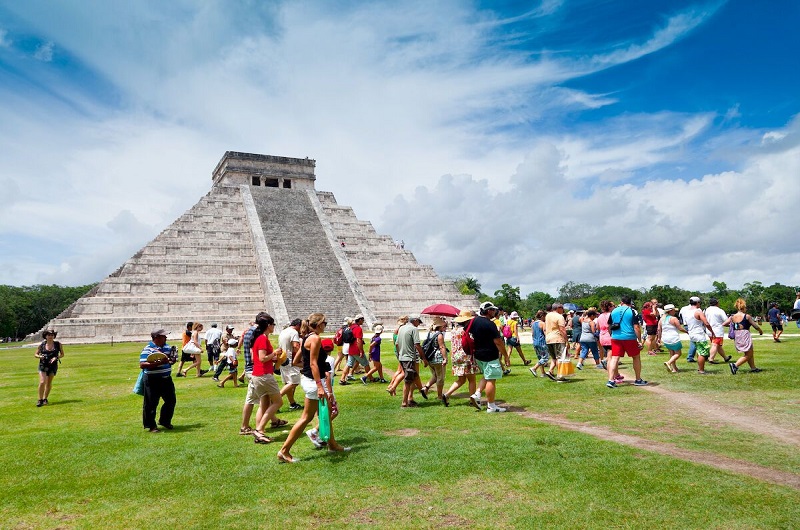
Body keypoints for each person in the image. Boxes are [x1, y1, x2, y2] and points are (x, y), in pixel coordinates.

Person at [278, 313, 349, 463]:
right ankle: (284, 451)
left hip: (312, 380)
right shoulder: (315, 338)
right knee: (306, 418)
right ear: (318, 324)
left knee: (328, 412)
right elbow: (312, 364)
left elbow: (301, 361)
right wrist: (320, 386)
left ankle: (332, 444)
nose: (326, 325)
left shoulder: (307, 337)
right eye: (325, 323)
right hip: (314, 382)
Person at [248, 313, 287, 444]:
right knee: (278, 402)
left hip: (257, 375)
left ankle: (260, 432)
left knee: (264, 404)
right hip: (264, 375)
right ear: (268, 326)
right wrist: (275, 353)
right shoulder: (263, 339)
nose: (274, 327)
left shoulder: (257, 338)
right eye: (273, 324)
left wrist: (273, 357)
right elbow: (262, 358)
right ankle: (259, 430)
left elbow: (256, 358)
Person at [468, 302, 507, 412]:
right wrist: (506, 356)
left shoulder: (474, 321)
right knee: (491, 379)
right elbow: (498, 342)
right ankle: (491, 406)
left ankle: (477, 394)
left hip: (478, 354)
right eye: (493, 310)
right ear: (489, 311)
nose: (495, 312)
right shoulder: (490, 324)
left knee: (486, 375)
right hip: (489, 354)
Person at [138, 328, 178, 432]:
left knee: (171, 401)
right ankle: (151, 426)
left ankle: (164, 421)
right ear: (157, 338)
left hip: (166, 379)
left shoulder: (167, 347)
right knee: (151, 403)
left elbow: (170, 360)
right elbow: (142, 364)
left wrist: (172, 360)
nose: (166, 337)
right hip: (152, 380)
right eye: (163, 336)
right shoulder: (148, 349)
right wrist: (160, 363)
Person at [606, 295, 647, 388]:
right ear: (630, 303)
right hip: (629, 337)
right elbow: (636, 327)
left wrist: (611, 335)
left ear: (621, 302)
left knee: (615, 358)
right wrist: (639, 340)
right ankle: (638, 379)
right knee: (636, 357)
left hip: (616, 337)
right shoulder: (632, 311)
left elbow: (608, 326)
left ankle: (611, 380)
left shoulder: (614, 311)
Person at [444, 310, 480, 405]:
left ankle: (447, 394)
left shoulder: (453, 331)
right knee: (472, 380)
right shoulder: (467, 330)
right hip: (466, 355)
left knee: (461, 380)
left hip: (456, 355)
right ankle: (472, 400)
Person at [395, 314, 428, 407]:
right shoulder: (414, 329)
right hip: (409, 358)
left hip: (402, 357)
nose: (418, 324)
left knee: (414, 376)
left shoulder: (401, 328)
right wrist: (423, 358)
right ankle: (404, 403)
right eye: (418, 322)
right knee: (408, 381)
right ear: (415, 320)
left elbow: (397, 344)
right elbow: (417, 345)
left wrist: (399, 355)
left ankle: (413, 396)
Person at [724, 299, 764, 374]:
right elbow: (755, 325)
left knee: (749, 352)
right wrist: (760, 331)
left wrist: (735, 326)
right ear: (743, 308)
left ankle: (753, 368)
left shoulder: (733, 317)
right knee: (749, 354)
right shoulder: (747, 316)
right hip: (745, 334)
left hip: (737, 335)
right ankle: (735, 365)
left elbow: (725, 324)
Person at [680, 296, 715, 374]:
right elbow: (706, 323)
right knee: (703, 352)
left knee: (699, 351)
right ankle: (701, 370)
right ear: (697, 303)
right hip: (698, 334)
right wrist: (712, 332)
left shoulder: (686, 311)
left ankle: (700, 368)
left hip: (691, 333)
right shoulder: (698, 311)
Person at [237, 319, 259, 434]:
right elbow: (253, 356)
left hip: (250, 370)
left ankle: (274, 420)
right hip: (254, 370)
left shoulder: (247, 332)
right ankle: (245, 427)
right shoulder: (255, 334)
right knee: (254, 399)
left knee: (266, 398)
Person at [422, 317, 449, 404]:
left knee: (435, 375)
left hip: (430, 357)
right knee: (440, 377)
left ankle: (426, 388)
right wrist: (445, 358)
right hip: (438, 358)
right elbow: (441, 347)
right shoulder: (439, 335)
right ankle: (439, 396)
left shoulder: (430, 333)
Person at [278, 319, 303, 411]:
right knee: (294, 382)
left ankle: (292, 403)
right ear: (298, 326)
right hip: (291, 360)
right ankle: (274, 400)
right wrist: (302, 358)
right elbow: (296, 346)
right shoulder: (294, 332)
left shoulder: (283, 332)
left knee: (287, 382)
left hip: (283, 359)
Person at [35, 329, 64, 406]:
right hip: (43, 365)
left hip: (53, 365)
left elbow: (62, 354)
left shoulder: (58, 344)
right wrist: (40, 356)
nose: (50, 336)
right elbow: (36, 354)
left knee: (48, 383)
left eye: (52, 335)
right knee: (42, 382)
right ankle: (40, 399)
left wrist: (56, 358)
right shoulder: (42, 345)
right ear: (45, 336)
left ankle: (45, 398)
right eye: (49, 335)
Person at [339, 314, 368, 385]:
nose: (363, 321)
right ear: (360, 320)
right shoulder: (358, 328)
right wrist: (361, 351)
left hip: (351, 348)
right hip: (356, 349)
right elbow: (358, 340)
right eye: (363, 320)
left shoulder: (351, 327)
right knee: (366, 364)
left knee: (348, 364)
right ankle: (370, 377)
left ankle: (342, 379)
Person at [658, 304, 686, 373]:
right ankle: (669, 362)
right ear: (670, 311)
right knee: (678, 353)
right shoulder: (673, 318)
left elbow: (659, 329)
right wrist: (687, 332)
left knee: (672, 353)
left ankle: (674, 368)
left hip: (665, 338)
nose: (675, 312)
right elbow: (680, 328)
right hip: (673, 338)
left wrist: (659, 338)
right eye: (674, 310)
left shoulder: (661, 319)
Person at [543, 303, 568, 381]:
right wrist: (566, 340)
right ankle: (560, 376)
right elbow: (562, 329)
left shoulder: (548, 316)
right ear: (558, 308)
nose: (563, 310)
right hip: (558, 338)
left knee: (554, 358)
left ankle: (550, 371)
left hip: (548, 339)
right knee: (560, 358)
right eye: (562, 308)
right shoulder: (560, 317)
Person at [386, 316, 409, 396]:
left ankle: (391, 384)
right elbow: (398, 343)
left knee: (399, 370)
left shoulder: (396, 330)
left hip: (398, 351)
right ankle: (393, 387)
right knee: (403, 372)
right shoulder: (401, 330)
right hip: (401, 351)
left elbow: (394, 342)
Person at [704, 298, 732, 364]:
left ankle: (725, 358)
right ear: (717, 303)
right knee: (715, 345)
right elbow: (726, 320)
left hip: (709, 330)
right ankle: (711, 358)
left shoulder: (706, 310)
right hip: (717, 330)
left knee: (718, 345)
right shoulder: (719, 310)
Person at [529, 310, 549, 377]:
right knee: (545, 357)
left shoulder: (533, 324)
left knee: (540, 358)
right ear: (542, 316)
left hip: (535, 342)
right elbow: (545, 333)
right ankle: (534, 368)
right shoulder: (543, 323)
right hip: (542, 342)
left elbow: (532, 334)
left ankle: (543, 373)